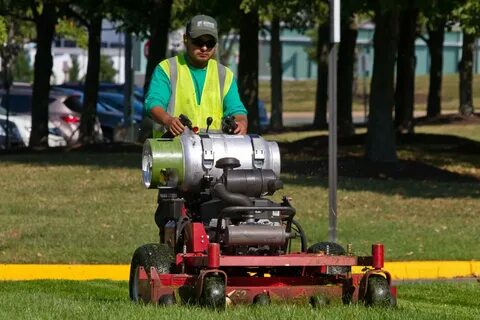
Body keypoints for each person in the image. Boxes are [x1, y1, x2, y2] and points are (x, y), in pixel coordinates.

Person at [145, 14, 248, 137]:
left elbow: (236, 110)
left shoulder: (225, 75)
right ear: (185, 39)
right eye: (198, 42)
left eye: (210, 43)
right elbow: (154, 103)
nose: (204, 48)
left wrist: (241, 123)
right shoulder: (167, 69)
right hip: (171, 150)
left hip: (213, 152)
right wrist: (168, 120)